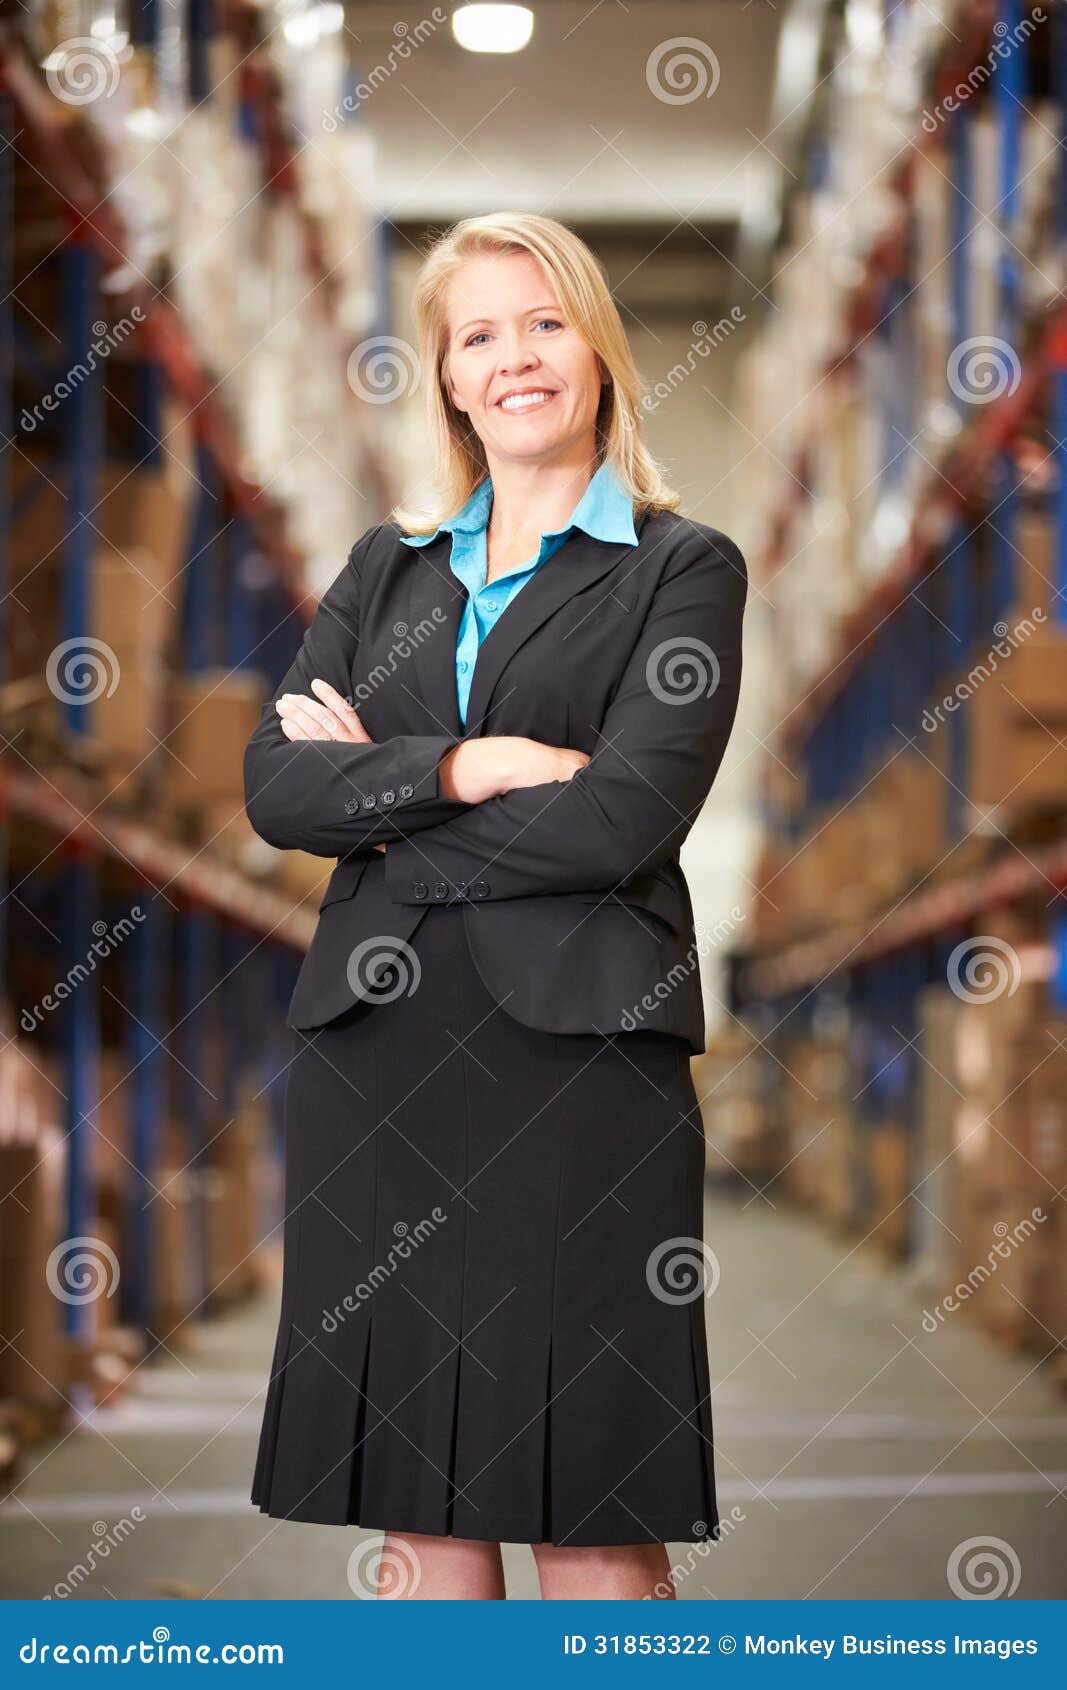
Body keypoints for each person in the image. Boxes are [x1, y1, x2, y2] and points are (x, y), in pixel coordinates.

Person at [244, 211, 748, 1600]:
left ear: (597, 349)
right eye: (479, 335)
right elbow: (279, 791)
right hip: (382, 1059)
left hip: (581, 1067)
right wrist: (474, 763)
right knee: (421, 1519)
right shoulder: (380, 570)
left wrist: (387, 804)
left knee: (590, 1506)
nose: (514, 356)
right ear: (450, 380)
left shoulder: (678, 567)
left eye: (543, 322)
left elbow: (624, 818)